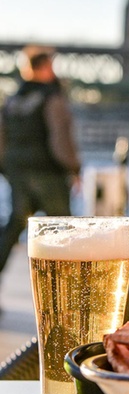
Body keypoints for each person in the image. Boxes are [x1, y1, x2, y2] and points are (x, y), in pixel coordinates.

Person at [0, 48, 81, 287]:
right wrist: (75, 169)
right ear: (44, 67)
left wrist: (8, 169)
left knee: (14, 226)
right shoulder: (51, 97)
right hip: (48, 174)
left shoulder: (13, 100)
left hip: (19, 173)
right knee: (63, 231)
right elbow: (61, 140)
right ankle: (68, 291)